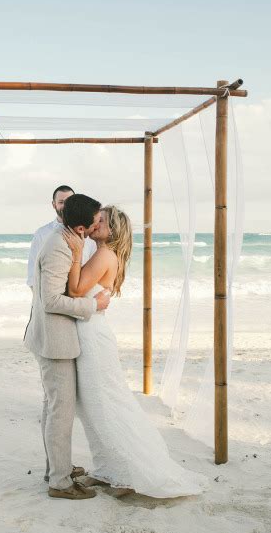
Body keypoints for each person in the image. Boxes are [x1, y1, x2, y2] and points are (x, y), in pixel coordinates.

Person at [62, 205, 207, 498]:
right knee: (96, 406)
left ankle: (128, 470)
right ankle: (109, 468)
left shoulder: (103, 254)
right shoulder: (103, 252)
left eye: (100, 220)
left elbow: (76, 291)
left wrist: (76, 254)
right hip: (92, 332)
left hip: (93, 338)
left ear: (112, 230)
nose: (94, 222)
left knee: (104, 404)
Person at [24, 194, 111, 500]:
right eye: (96, 221)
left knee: (54, 406)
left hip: (52, 338)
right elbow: (50, 300)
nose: (100, 224)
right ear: (80, 227)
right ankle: (60, 482)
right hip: (53, 341)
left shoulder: (66, 239)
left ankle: (56, 468)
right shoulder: (59, 246)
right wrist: (92, 303)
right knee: (61, 410)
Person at [27, 185, 96, 290]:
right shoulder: (41, 234)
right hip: (50, 299)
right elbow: (33, 276)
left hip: (80, 298)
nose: (66, 206)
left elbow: (93, 271)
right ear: (54, 205)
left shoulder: (88, 234)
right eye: (61, 202)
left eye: (69, 201)